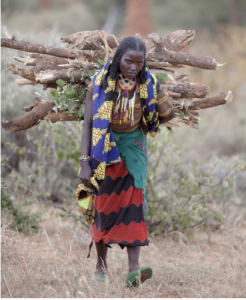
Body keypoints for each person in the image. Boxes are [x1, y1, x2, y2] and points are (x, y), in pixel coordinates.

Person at [75, 36, 175, 286]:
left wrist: (156, 99)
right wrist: (85, 161)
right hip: (104, 149)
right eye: (129, 61)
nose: (133, 67)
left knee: (134, 207)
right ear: (118, 58)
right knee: (104, 207)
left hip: (133, 150)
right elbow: (88, 124)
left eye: (139, 63)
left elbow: (167, 114)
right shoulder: (98, 83)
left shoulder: (149, 83)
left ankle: (134, 270)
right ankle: (101, 265)